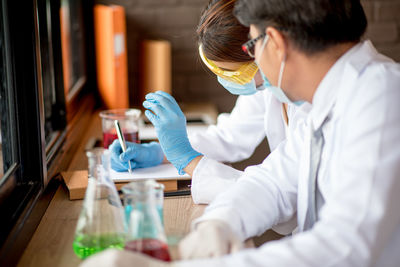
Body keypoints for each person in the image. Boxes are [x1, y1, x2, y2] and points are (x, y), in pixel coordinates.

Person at [82, 0, 400, 266]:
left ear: (274, 43)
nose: (254, 58)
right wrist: (218, 223)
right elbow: (272, 183)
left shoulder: (381, 95)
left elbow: (346, 249)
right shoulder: (329, 101)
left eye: (252, 44)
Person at [110, 0, 309, 207]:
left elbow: (278, 193)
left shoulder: (309, 102)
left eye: (236, 75)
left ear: (267, 48)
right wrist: (161, 152)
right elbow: (229, 137)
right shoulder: (268, 87)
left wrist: (187, 160)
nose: (227, 81)